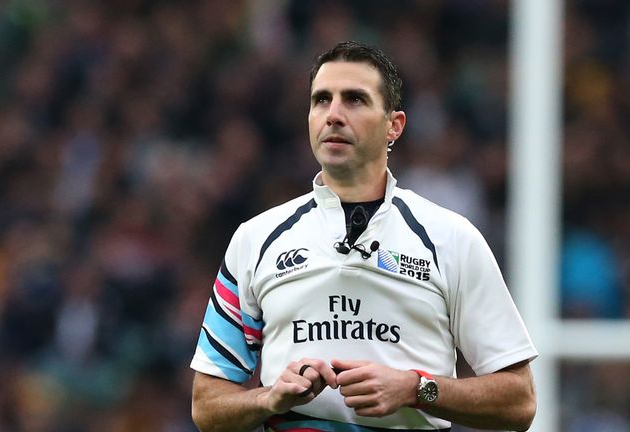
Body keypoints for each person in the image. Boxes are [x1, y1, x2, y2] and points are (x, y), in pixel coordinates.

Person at [190, 41, 538, 432]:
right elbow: (207, 406)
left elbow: (519, 400)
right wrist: (268, 397)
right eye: (321, 100)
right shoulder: (255, 240)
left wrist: (415, 388)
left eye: (354, 99)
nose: (333, 115)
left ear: (395, 125)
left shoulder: (452, 239)